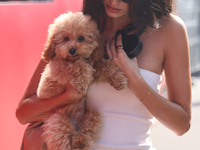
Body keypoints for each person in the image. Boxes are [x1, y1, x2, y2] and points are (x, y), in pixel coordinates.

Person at [16, 0, 192, 149]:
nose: (114, 2)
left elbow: (181, 125)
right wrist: (67, 97)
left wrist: (136, 82)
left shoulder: (169, 29)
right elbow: (23, 113)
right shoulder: (76, 28)